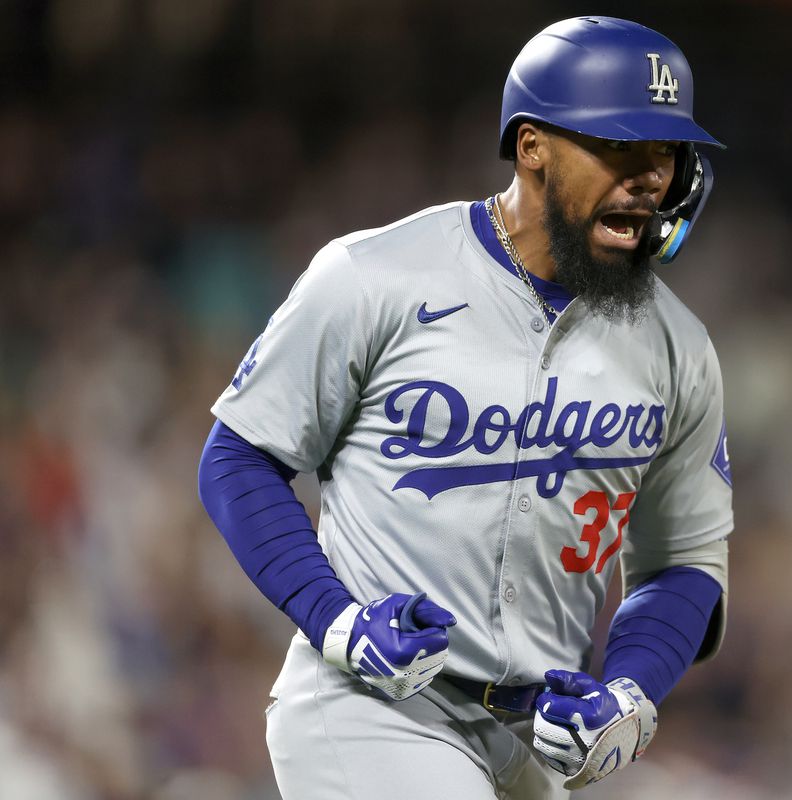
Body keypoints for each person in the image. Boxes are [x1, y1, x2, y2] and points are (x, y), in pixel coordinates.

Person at [198, 16, 733, 799]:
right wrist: (335, 619)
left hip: (536, 743)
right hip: (374, 706)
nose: (649, 178)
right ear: (532, 147)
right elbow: (239, 456)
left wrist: (629, 692)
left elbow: (685, 561)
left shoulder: (678, 347)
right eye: (620, 147)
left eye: (666, 152)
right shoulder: (376, 276)